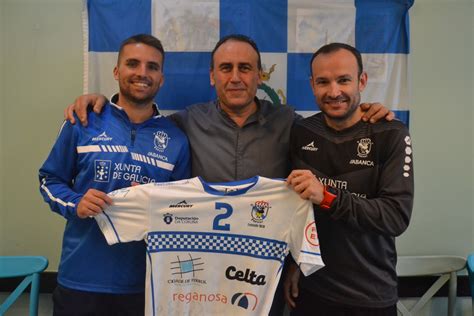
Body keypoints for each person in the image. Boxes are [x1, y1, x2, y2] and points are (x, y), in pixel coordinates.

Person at [63, 34, 394, 315]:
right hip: (198, 277)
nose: (235, 77)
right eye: (226, 68)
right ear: (212, 76)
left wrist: (366, 113)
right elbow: (140, 118)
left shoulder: (288, 123)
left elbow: (332, 127)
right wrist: (103, 103)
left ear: (259, 76)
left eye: (245, 68)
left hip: (264, 276)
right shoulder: (185, 124)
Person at [39, 34, 190, 316]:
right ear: (117, 71)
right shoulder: (83, 121)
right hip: (80, 280)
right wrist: (76, 203)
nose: (142, 73)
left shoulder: (176, 140)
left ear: (162, 78)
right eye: (133, 64)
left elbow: (181, 211)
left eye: (152, 67)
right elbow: (50, 180)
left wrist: (156, 205)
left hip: (143, 286)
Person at [285, 42, 414, 315]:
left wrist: (328, 197)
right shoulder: (301, 132)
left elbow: (395, 217)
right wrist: (295, 265)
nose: (334, 92)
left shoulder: (391, 133)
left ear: (362, 81)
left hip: (370, 295)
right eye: (323, 82)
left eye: (343, 80)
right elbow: (297, 211)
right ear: (312, 85)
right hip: (311, 291)